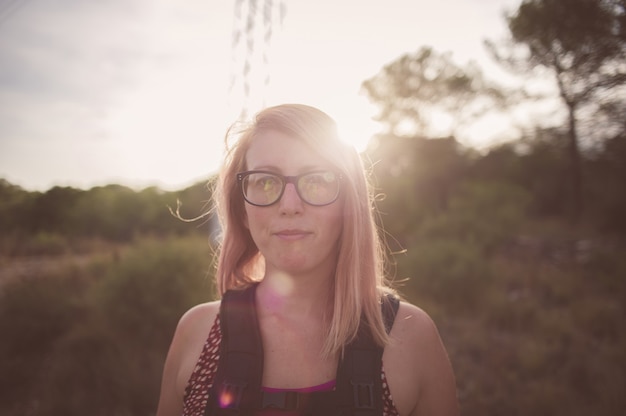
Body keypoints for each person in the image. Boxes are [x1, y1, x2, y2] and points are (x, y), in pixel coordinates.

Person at [156, 104, 459, 416]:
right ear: (242, 210)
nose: (289, 205)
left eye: (317, 180)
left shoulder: (409, 337)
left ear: (348, 205)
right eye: (265, 181)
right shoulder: (197, 332)